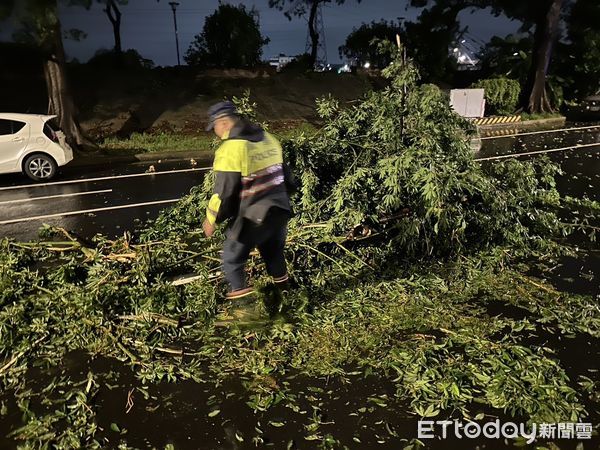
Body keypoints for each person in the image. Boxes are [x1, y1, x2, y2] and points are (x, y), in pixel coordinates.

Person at [202, 101, 294, 299]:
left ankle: (246, 312)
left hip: (254, 215)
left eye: (215, 127)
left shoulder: (232, 148)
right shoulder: (268, 138)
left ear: (224, 123)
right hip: (280, 209)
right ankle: (286, 297)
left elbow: (224, 192)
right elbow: (287, 176)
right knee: (274, 254)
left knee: (232, 259)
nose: (215, 132)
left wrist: (212, 220)